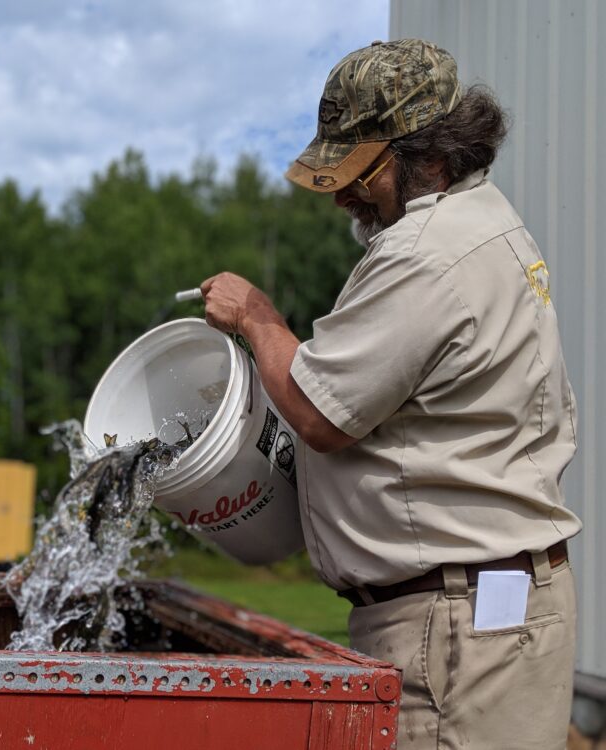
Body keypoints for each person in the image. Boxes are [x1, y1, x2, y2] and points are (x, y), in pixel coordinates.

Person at [201, 39, 581, 750]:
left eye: (359, 172)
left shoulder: (425, 255)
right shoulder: (486, 220)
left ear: (430, 154)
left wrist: (256, 316)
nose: (342, 194)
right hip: (484, 610)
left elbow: (316, 412)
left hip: (458, 629)